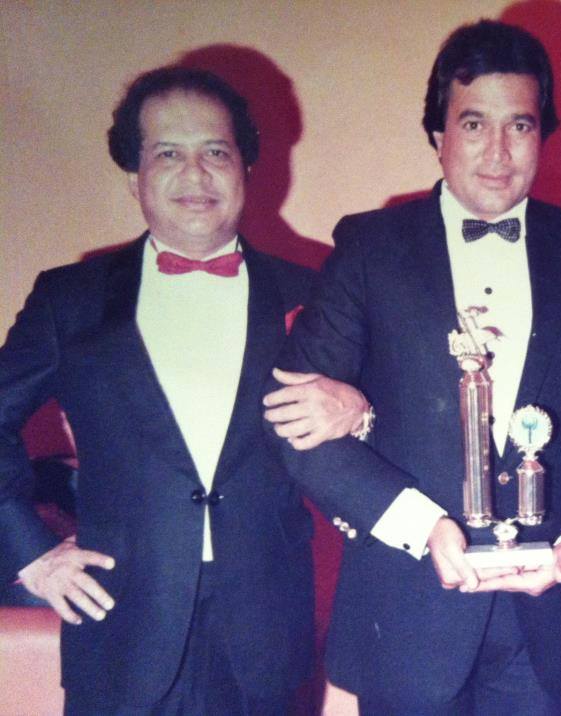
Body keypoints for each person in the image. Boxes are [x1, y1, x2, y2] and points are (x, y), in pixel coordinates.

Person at [263, 19, 561, 715]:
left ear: (543, 135)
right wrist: (419, 525)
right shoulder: (370, 248)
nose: (497, 151)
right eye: (472, 125)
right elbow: (293, 422)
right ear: (437, 135)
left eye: (519, 126)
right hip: (405, 617)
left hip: (547, 620)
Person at [0, 67, 335, 714]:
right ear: (135, 178)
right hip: (121, 628)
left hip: (266, 640)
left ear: (245, 168)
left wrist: (359, 406)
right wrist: (30, 553)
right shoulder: (68, 300)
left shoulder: (312, 294)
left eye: (215, 151)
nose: (196, 174)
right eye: (168, 154)